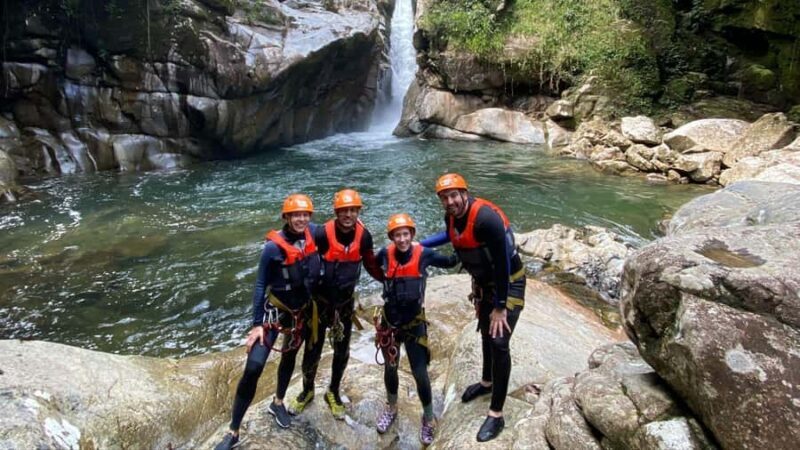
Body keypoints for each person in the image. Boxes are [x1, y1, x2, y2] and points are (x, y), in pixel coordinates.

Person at [421, 173, 526, 442]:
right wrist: (418, 245)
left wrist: (501, 306)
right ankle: (486, 382)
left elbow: (502, 263)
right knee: (484, 332)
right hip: (485, 285)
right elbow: (451, 236)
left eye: (454, 195)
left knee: (499, 341)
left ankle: (496, 414)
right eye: (445, 197)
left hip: (508, 283)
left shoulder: (486, 219)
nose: (450, 201)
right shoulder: (452, 217)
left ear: (465, 194)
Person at [214, 194, 321, 450]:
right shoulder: (273, 247)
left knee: (289, 357)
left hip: (300, 312)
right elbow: (260, 284)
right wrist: (256, 324)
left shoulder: (313, 234)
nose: (301, 219)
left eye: (305, 215)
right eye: (296, 215)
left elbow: (342, 229)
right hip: (274, 313)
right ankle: (234, 430)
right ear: (286, 217)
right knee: (254, 367)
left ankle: (278, 401)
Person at [288, 189, 384, 419]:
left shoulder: (364, 236)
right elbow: (306, 260)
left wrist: (388, 279)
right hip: (319, 305)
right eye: (344, 211)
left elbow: (370, 264)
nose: (348, 214)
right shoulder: (322, 234)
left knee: (342, 352)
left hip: (343, 305)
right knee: (313, 350)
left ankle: (333, 391)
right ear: (336, 212)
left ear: (358, 211)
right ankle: (307, 391)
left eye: (352, 210)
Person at [373, 213, 458, 446]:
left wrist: (464, 241)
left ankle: (428, 418)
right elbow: (368, 263)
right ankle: (391, 407)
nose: (401, 239)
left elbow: (450, 262)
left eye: (406, 234)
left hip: (414, 325)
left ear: (412, 235)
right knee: (390, 369)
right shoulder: (384, 254)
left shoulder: (424, 254)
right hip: (390, 325)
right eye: (397, 235)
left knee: (420, 374)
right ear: (392, 237)